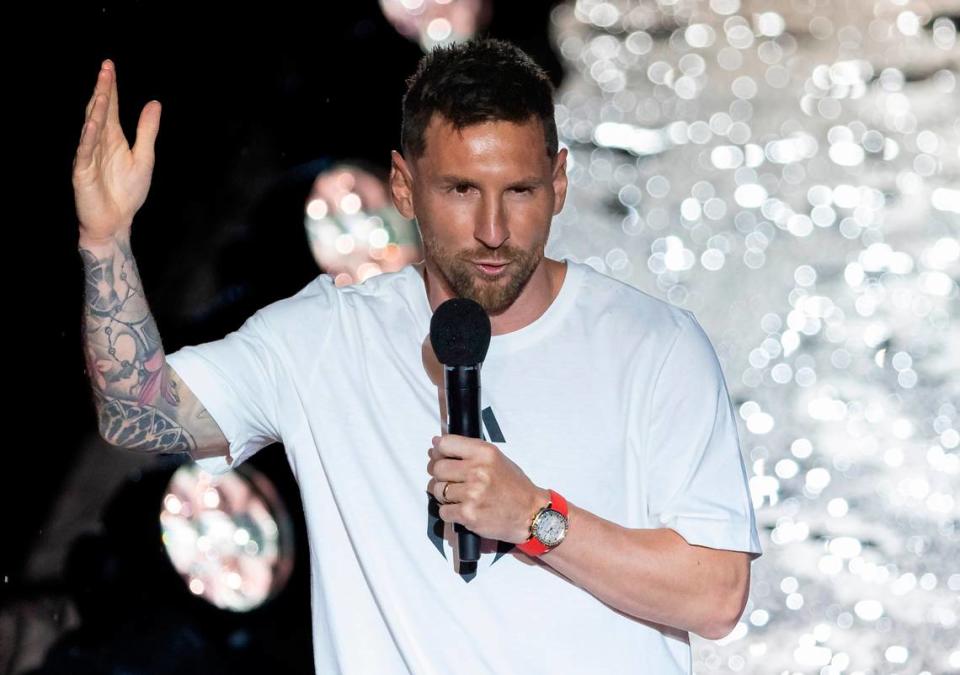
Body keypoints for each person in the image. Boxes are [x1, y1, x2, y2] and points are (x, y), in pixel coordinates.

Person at [75, 38, 762, 675]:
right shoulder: (323, 340)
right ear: (404, 187)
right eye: (461, 190)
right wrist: (105, 243)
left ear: (558, 181)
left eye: (519, 191)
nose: (493, 230)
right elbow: (141, 416)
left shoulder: (656, 345)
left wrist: (535, 518)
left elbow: (717, 595)